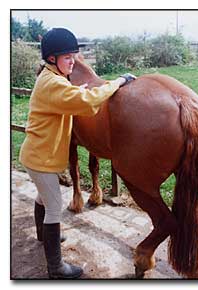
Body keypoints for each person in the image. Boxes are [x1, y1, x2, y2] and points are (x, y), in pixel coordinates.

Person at [19, 27, 136, 279]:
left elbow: (72, 98)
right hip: (41, 158)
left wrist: (79, 92)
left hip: (38, 153)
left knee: (43, 196)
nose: (73, 61)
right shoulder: (52, 82)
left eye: (74, 56)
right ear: (52, 59)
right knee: (54, 206)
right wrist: (118, 82)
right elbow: (88, 102)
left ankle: (43, 234)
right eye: (67, 57)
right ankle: (56, 268)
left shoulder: (53, 77)